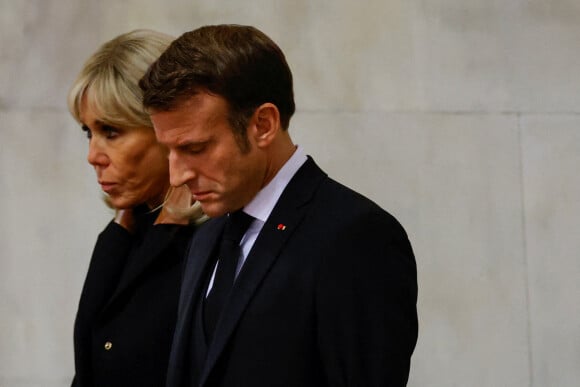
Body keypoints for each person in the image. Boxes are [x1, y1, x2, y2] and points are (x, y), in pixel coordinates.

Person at [140, 24, 418, 387]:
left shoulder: (356, 237)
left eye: (195, 148)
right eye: (169, 151)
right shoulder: (207, 239)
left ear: (264, 124)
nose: (176, 176)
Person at [67, 29, 206, 387]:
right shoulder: (128, 227)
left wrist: (169, 227)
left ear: (165, 128)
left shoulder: (212, 238)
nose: (93, 156)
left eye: (111, 131)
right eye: (88, 132)